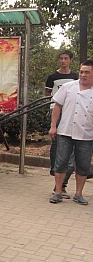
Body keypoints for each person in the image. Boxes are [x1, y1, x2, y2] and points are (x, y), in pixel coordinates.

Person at [49, 60, 93, 205]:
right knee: (61, 162)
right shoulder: (68, 87)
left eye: (87, 72)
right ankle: (58, 192)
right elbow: (57, 106)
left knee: (83, 165)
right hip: (65, 131)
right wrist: (53, 126)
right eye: (81, 72)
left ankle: (79, 194)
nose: (83, 75)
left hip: (86, 134)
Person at [45, 50, 78, 199]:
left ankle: (62, 184)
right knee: (57, 143)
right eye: (61, 58)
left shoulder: (75, 77)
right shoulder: (52, 77)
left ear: (71, 60)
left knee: (72, 149)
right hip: (56, 110)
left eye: (66, 58)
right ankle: (55, 170)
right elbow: (48, 95)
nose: (63, 61)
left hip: (71, 112)